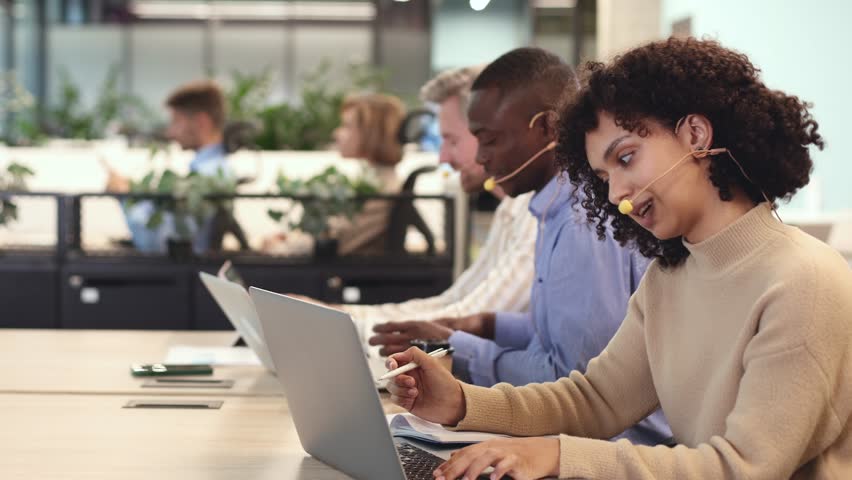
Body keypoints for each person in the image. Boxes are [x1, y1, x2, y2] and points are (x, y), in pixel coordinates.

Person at [385, 37, 852, 480]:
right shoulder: (671, 276)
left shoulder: (803, 280)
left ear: (695, 134)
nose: (616, 194)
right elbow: (597, 399)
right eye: (604, 177)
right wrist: (461, 403)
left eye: (625, 158)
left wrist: (556, 454)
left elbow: (743, 468)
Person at [374, 47, 669, 446]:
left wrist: (457, 349)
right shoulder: (553, 208)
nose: (482, 157)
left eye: (490, 140)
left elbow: (572, 377)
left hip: (616, 448)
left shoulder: (582, 222)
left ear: (547, 127)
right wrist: (483, 325)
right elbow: (559, 333)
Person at [333, 66, 536, 349]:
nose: (442, 158)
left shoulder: (536, 217)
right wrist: (341, 316)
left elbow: (464, 320)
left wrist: (342, 323)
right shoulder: (510, 210)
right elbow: (451, 304)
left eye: (452, 140)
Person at [262, 93, 406, 256]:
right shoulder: (378, 184)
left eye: (346, 126)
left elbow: (332, 242)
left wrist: (279, 248)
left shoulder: (380, 192)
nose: (336, 133)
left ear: (371, 133)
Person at [105, 80, 230, 254]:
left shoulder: (208, 175)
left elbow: (157, 243)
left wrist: (125, 196)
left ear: (201, 122)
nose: (170, 132)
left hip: (185, 270)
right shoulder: (214, 171)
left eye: (176, 121)